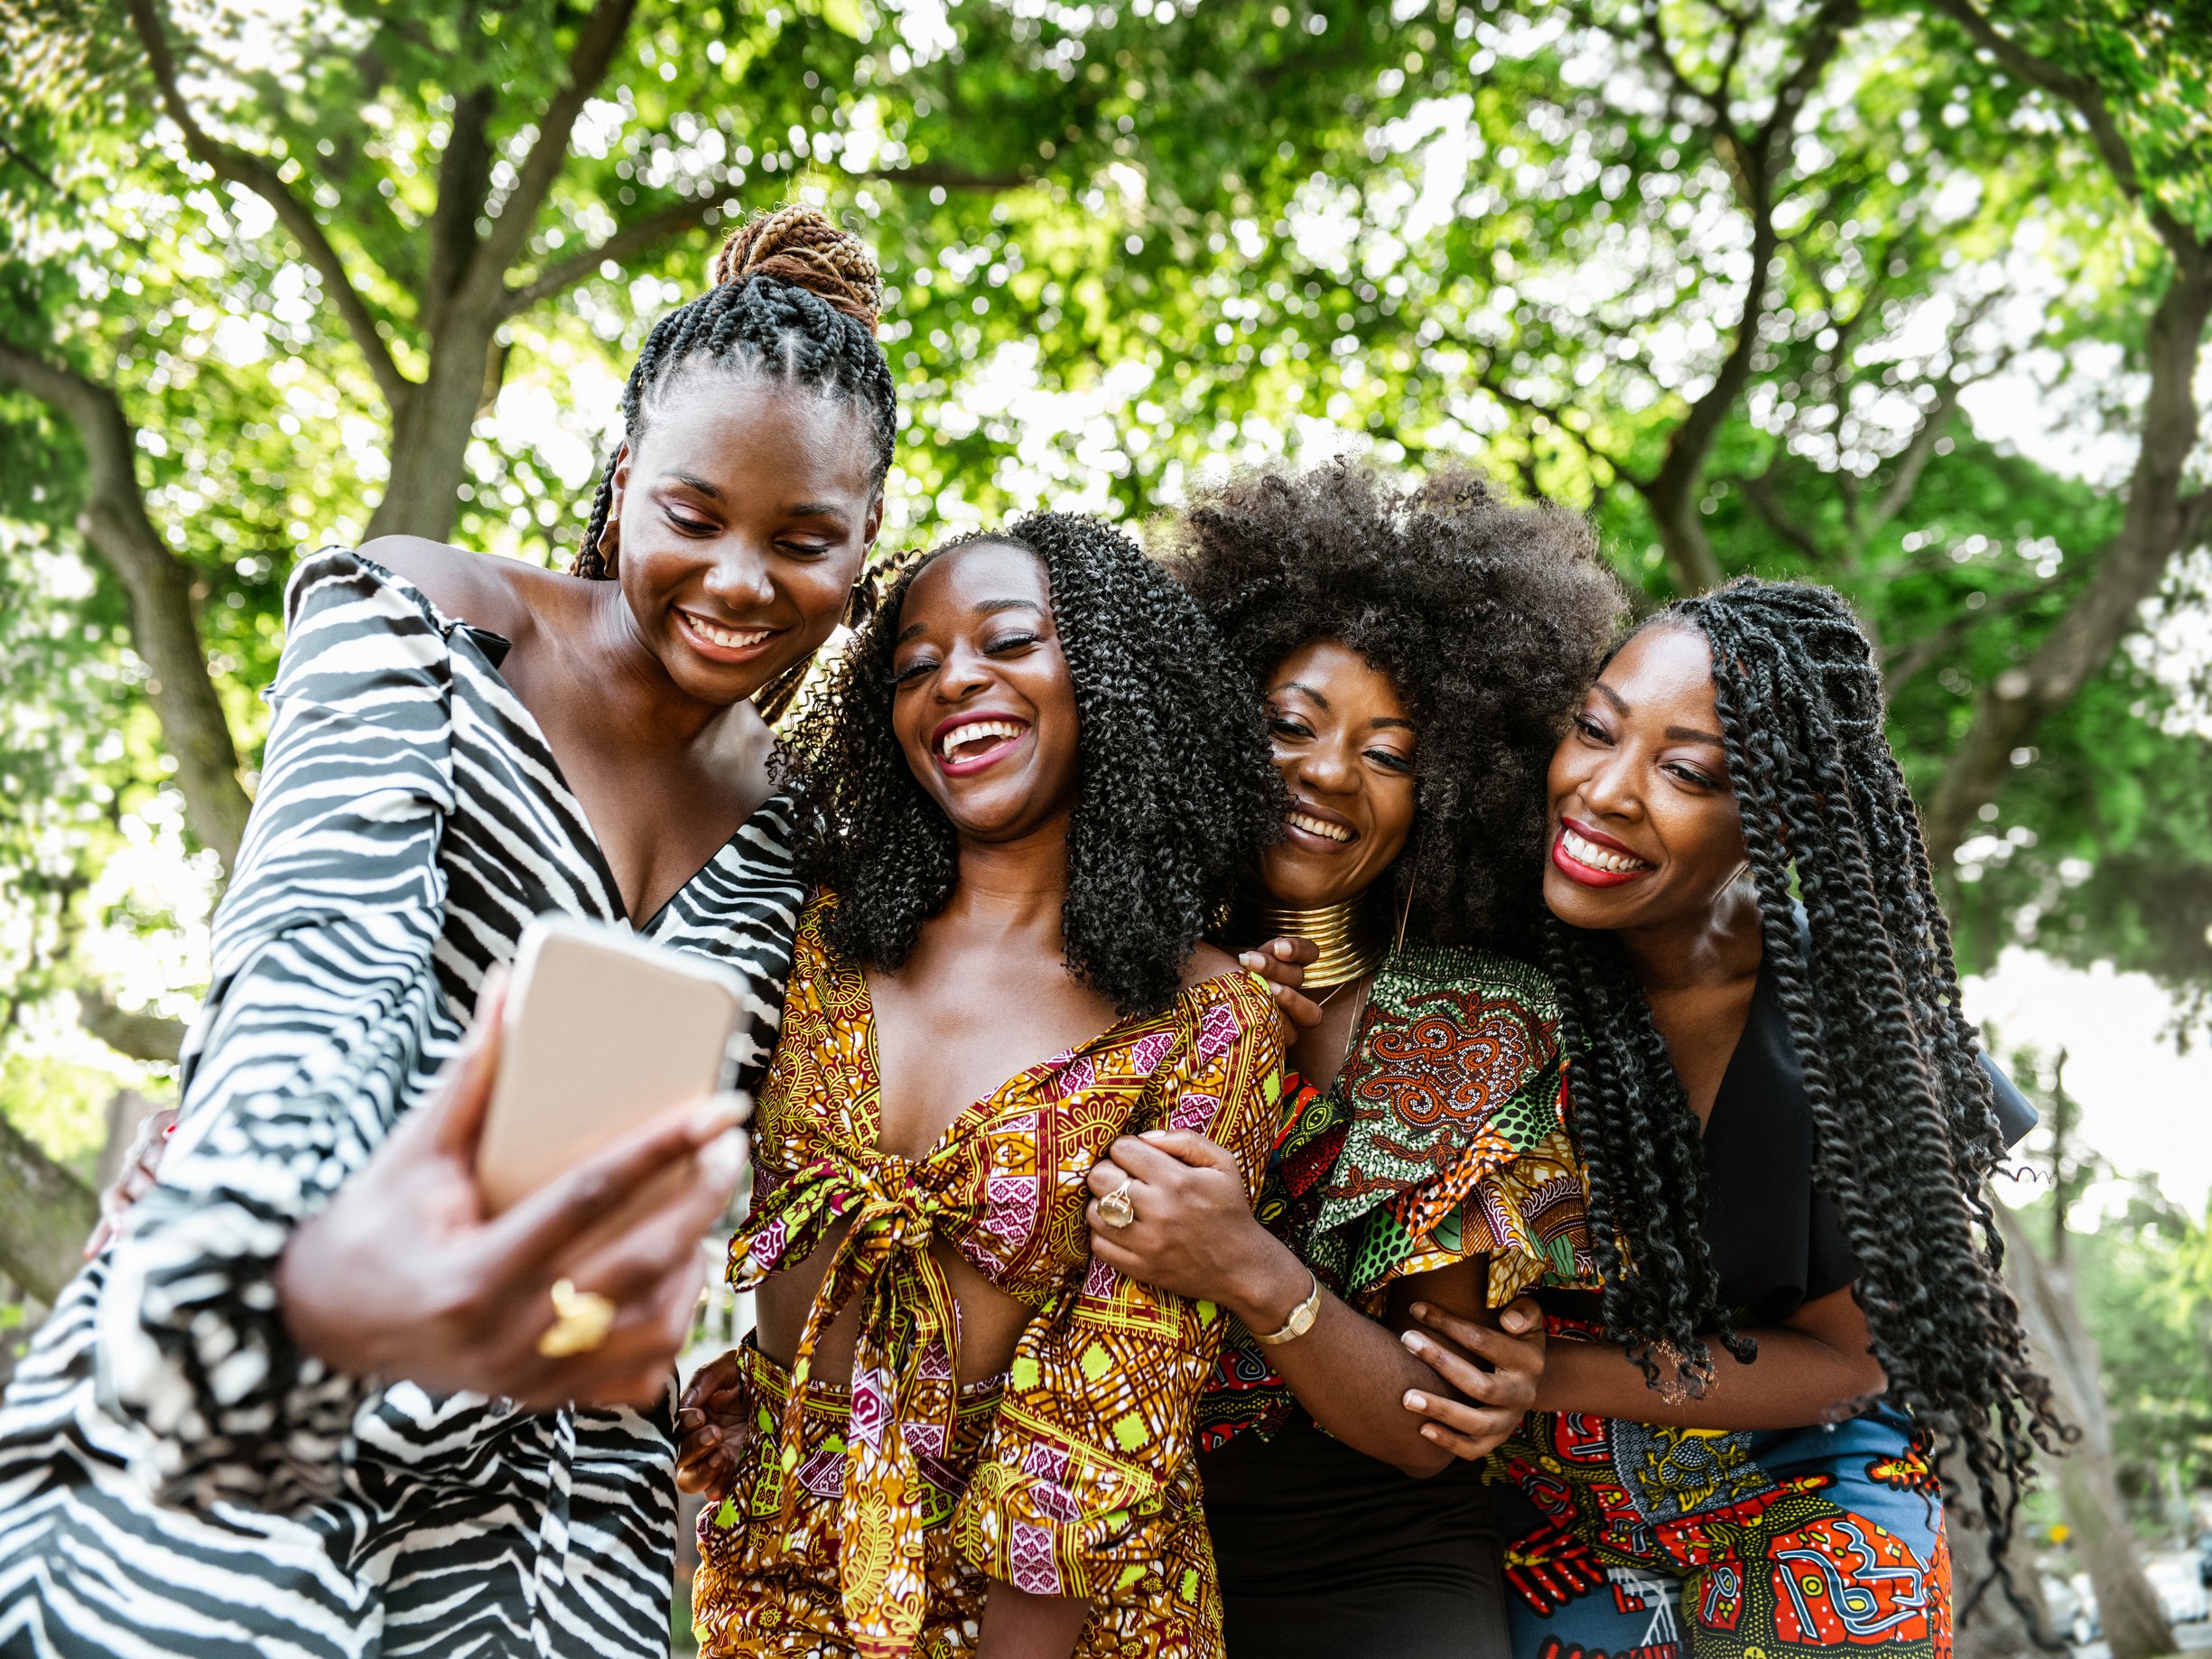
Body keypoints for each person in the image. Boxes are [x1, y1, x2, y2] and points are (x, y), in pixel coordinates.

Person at [0, 206, 897, 1659]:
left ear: (861, 554)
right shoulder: (425, 619)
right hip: (304, 1345)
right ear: (621, 488)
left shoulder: (811, 831)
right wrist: (277, 1270)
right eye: (693, 516)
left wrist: (739, 1366)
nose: (741, 580)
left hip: (561, 1496)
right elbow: (314, 975)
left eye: (801, 540)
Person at [1399, 581, 2062, 1659]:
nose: (1603, 791)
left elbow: (1850, 1361)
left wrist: (1543, 1377)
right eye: (1594, 730)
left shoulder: (1855, 1028)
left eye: (1684, 771)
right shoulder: (1473, 959)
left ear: (1777, 814)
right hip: (1547, 1508)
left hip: (1800, 1480)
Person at [678, 516, 1287, 1659]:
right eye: (912, 666)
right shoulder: (814, 942)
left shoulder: (1206, 1018)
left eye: (1007, 642)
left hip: (1050, 1611)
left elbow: (1114, 1395)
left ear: (1106, 679)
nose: (954, 678)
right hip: (775, 1556)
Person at [1073, 463, 1626, 1658]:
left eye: (1389, 751)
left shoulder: (1472, 1021)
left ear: (1451, 792)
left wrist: (1244, 1265)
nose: (1328, 772)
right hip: (1083, 1540)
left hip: (1370, 1563)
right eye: (1290, 723)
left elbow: (1431, 1423)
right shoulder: (1091, 971)